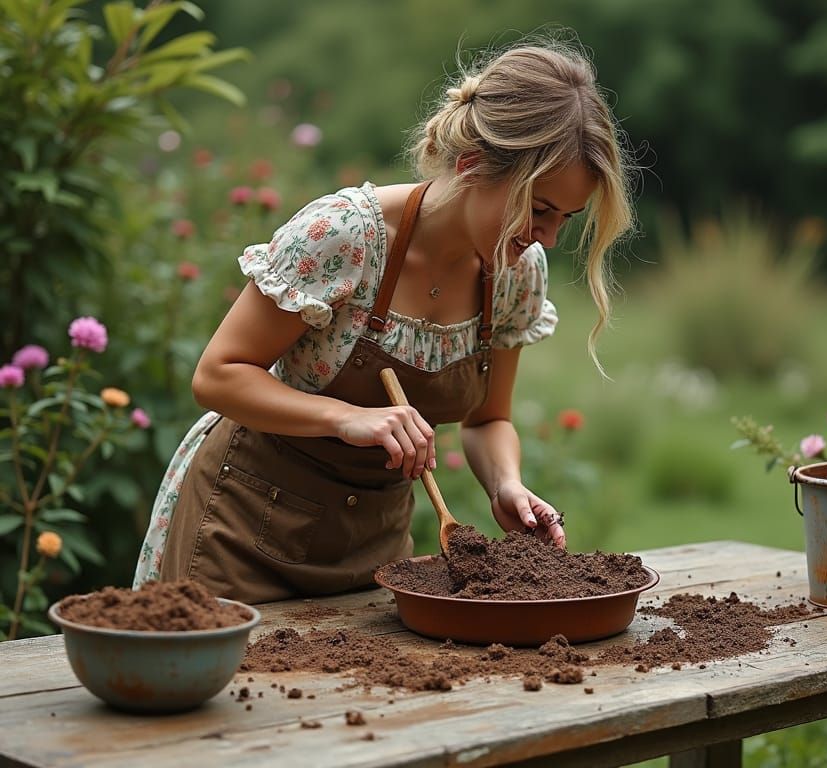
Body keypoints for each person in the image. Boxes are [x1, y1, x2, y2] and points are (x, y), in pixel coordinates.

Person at [133, 39, 635, 604]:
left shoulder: (515, 272)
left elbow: (488, 420)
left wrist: (505, 484)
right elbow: (218, 375)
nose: (546, 237)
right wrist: (343, 416)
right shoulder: (346, 235)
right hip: (239, 535)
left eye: (565, 219)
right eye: (538, 209)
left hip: (373, 552)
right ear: (471, 164)